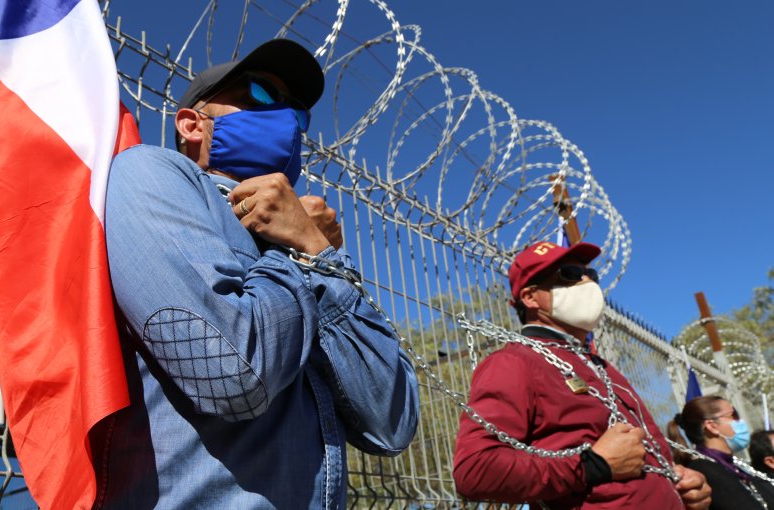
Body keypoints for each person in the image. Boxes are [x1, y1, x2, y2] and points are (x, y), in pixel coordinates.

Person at [99, 39, 420, 508]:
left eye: (298, 113)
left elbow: (392, 424)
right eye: (263, 96)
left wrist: (314, 248)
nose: (287, 119)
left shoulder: (305, 242)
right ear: (192, 125)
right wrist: (291, 254)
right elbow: (233, 375)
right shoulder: (151, 173)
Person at [453, 241, 711, 509]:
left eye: (592, 276)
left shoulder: (601, 367)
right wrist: (594, 465)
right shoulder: (513, 362)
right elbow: (475, 471)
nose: (588, 282)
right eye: (571, 275)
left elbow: (641, 460)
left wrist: (681, 483)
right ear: (531, 297)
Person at [667, 397, 774, 509]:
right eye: (733, 415)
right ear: (712, 426)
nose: (740, 421)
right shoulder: (705, 469)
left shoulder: (732, 464)